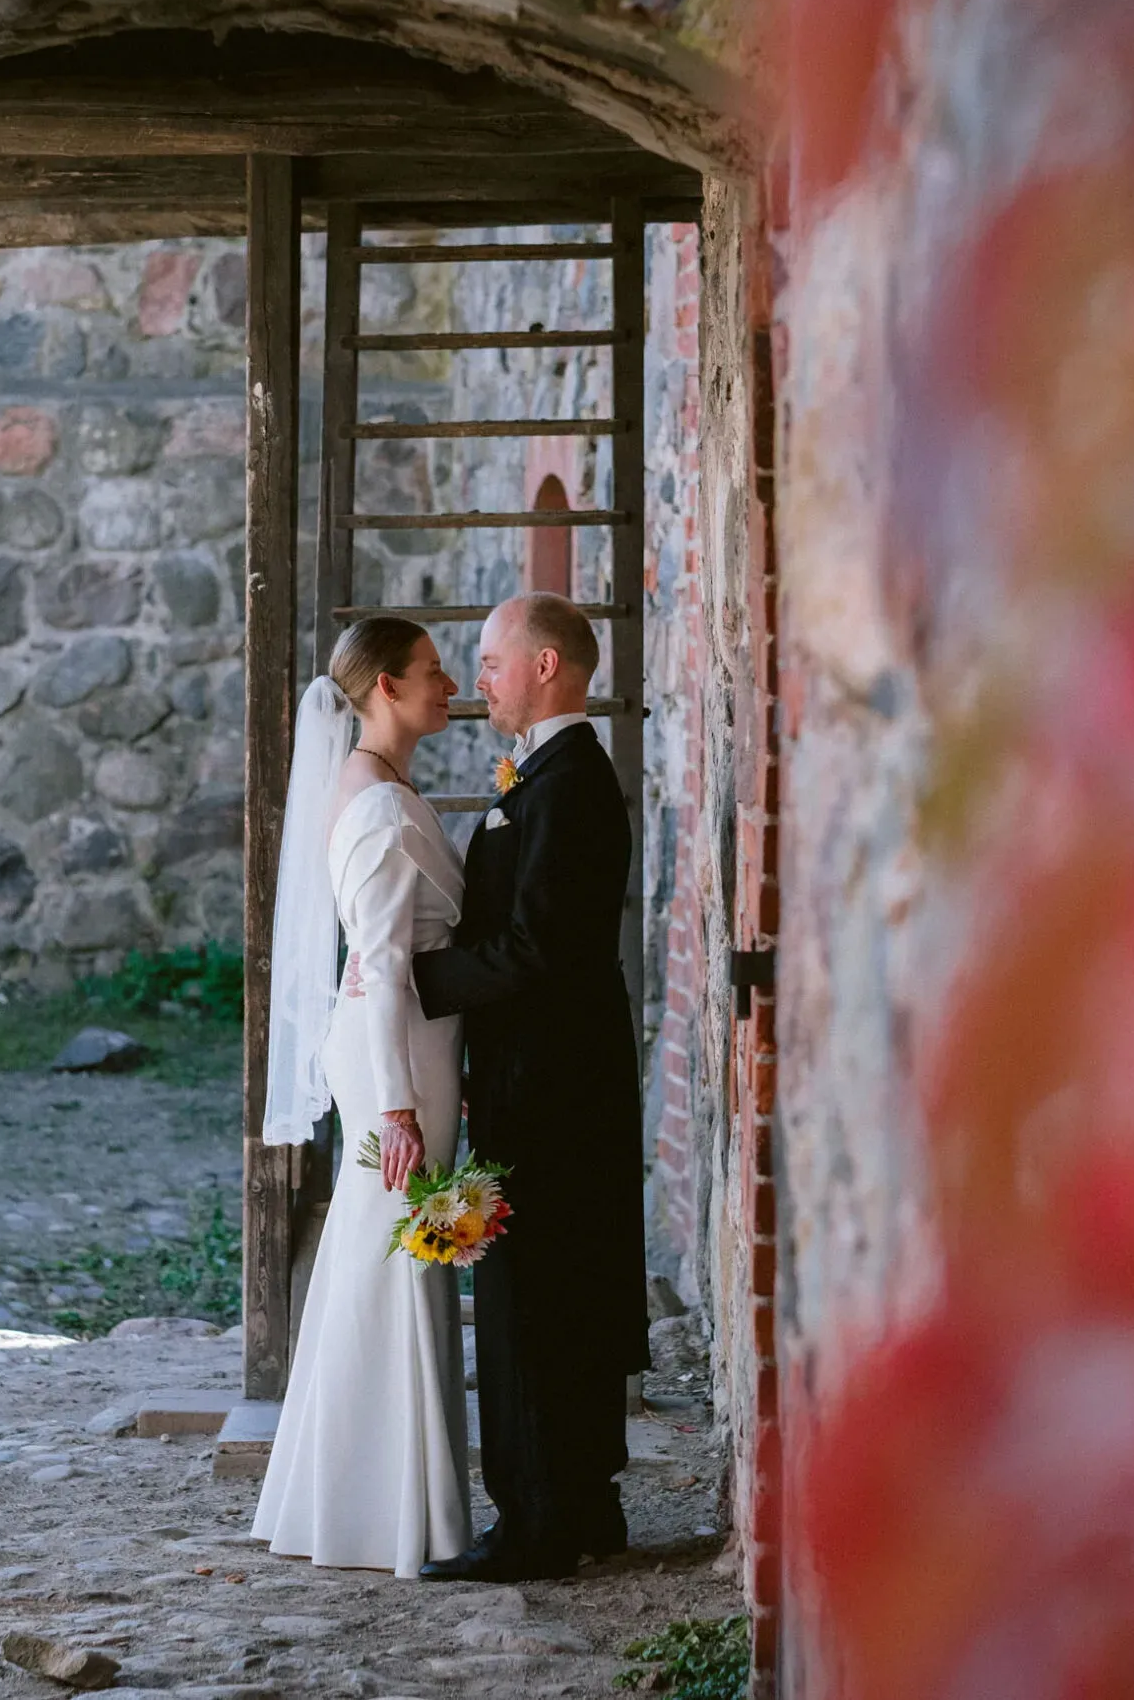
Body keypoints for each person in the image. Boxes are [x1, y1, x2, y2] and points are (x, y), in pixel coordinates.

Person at [394, 591, 649, 1583]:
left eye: (493, 659)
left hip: (546, 1084)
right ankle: (584, 1500)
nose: (479, 678)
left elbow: (537, 947)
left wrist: (413, 978)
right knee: (565, 1285)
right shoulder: (548, 776)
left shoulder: (565, 784)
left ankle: (538, 1522)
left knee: (527, 1296)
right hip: (554, 1073)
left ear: (546, 666)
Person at [251, 616, 472, 1578]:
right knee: (395, 1262)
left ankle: (359, 1499)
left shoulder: (382, 786)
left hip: (404, 1047)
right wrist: (395, 1109)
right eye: (431, 672)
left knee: (380, 1261)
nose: (450, 682)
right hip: (400, 1062)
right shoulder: (380, 811)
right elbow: (380, 967)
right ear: (384, 687)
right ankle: (382, 1511)